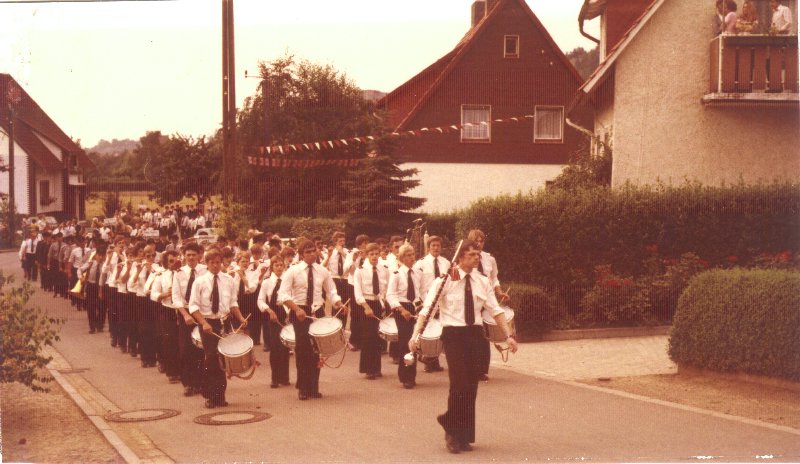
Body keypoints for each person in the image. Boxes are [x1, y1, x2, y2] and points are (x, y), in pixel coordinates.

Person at [409, 240, 518, 454]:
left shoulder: (482, 281)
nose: (477, 258)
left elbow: (495, 310)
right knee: (459, 384)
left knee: (471, 386)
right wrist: (415, 335)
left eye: (478, 254)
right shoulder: (445, 280)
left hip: (475, 334)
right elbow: (427, 310)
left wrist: (508, 336)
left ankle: (464, 435)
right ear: (460, 258)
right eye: (472, 255)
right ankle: (452, 432)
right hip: (454, 335)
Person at [277, 239, 345, 400]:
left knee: (317, 350)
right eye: (308, 252)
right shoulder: (292, 271)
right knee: (303, 350)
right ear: (301, 255)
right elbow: (282, 295)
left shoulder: (322, 271)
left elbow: (331, 291)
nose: (312, 254)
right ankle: (303, 387)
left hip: (317, 311)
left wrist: (339, 303)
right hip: (300, 311)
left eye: (313, 251)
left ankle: (313, 387)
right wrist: (296, 309)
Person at [189, 247, 248, 408]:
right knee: (211, 358)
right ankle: (209, 396)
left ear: (222, 262)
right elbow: (193, 306)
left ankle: (220, 396)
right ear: (206, 263)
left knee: (223, 359)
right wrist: (203, 323)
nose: (215, 265)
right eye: (212, 263)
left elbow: (233, 302)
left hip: (224, 322)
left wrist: (240, 318)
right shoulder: (199, 282)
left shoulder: (228, 280)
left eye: (218, 262)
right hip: (208, 323)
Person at [467, 229, 509, 382]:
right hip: (472, 300)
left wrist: (500, 292)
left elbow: (494, 278)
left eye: (481, 241)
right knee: (472, 336)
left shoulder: (490, 259)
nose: (479, 243)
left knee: (484, 337)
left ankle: (482, 370)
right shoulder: (467, 258)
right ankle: (470, 368)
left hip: (487, 300)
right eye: (476, 241)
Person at [172, 242, 207, 397]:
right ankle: (188, 384)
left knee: (200, 350)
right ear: (184, 256)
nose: (191, 258)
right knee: (185, 350)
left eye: (194, 255)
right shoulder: (179, 273)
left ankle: (200, 383)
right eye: (188, 255)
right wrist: (185, 315)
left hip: (201, 312)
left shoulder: (205, 271)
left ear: (199, 256)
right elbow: (176, 297)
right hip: (185, 313)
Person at [386, 243, 421, 389]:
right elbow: (390, 295)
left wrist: (422, 306)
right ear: (402, 258)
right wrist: (402, 310)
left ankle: (412, 375)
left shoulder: (418, 273)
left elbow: (422, 291)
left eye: (413, 254)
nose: (412, 257)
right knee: (406, 342)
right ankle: (406, 377)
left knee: (414, 342)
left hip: (415, 307)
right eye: (408, 255)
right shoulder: (396, 274)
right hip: (401, 308)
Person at [353, 242, 390, 379]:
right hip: (365, 303)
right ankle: (368, 369)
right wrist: (366, 307)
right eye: (371, 254)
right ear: (366, 255)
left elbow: (387, 288)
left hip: (379, 303)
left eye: (376, 254)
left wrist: (385, 304)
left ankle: (376, 368)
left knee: (377, 336)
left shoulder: (384, 269)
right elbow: (358, 293)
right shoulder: (360, 270)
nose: (374, 256)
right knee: (368, 336)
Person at [413, 236, 449, 373]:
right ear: (428, 247)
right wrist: (418, 302)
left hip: (441, 302)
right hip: (426, 300)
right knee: (427, 330)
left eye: (438, 245)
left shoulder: (446, 263)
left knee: (438, 330)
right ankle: (426, 358)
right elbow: (416, 284)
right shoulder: (421, 264)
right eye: (433, 245)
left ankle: (433, 360)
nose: (436, 248)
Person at [257, 258, 290, 388]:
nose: (279, 267)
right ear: (272, 267)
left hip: (286, 313)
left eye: (281, 265)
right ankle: (275, 378)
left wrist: (289, 313)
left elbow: (291, 297)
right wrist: (269, 310)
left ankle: (285, 377)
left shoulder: (288, 280)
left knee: (285, 347)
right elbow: (260, 300)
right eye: (276, 265)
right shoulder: (266, 282)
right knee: (275, 347)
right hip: (273, 315)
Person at [151, 249, 182, 383]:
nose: (174, 263)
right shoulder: (161, 276)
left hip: (182, 311)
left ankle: (183, 372)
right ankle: (172, 372)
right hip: (168, 310)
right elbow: (153, 294)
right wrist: (165, 294)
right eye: (171, 261)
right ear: (166, 262)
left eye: (176, 260)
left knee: (182, 343)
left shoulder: (184, 274)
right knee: (169, 343)